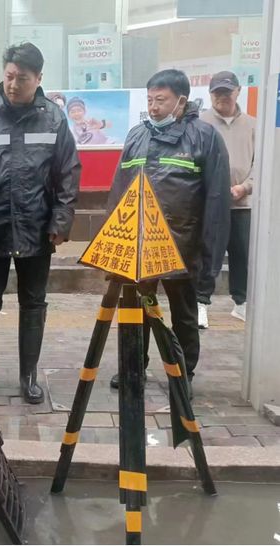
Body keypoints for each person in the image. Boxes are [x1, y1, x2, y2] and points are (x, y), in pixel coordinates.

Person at [0, 42, 81, 404]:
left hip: (36, 227)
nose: (13, 84)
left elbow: (68, 173)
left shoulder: (53, 118)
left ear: (38, 79)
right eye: (8, 76)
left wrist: (61, 219)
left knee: (34, 302)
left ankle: (28, 376)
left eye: (21, 78)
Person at [107, 69, 231, 394]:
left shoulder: (204, 137)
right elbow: (120, 190)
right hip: (140, 245)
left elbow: (216, 199)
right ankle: (134, 368)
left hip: (183, 246)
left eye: (160, 100)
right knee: (138, 310)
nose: (153, 107)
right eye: (149, 100)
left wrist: (209, 255)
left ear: (181, 101)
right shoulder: (137, 136)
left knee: (184, 315)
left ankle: (183, 374)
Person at [197, 71, 255, 327]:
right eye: (217, 92)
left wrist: (245, 187)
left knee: (242, 255)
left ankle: (241, 303)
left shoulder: (253, 125)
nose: (222, 97)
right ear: (210, 95)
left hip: (242, 204)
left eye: (226, 92)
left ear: (238, 91)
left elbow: (262, 163)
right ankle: (200, 303)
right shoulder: (200, 124)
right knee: (208, 254)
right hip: (210, 205)